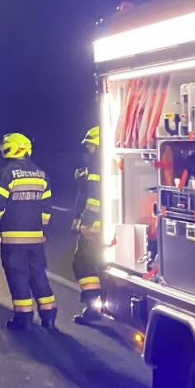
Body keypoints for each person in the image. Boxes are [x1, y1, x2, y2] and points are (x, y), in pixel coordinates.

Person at [0, 133, 57, 332]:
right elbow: (47, 207)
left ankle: (24, 318)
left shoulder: (6, 174)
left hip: (13, 237)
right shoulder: (41, 173)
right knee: (38, 274)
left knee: (18, 275)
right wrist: (41, 227)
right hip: (36, 237)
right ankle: (49, 316)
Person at [71, 126, 104, 324]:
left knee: (83, 264)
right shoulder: (101, 164)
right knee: (98, 265)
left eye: (91, 145)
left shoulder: (95, 166)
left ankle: (93, 307)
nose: (88, 149)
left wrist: (87, 223)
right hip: (106, 226)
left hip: (95, 227)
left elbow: (94, 198)